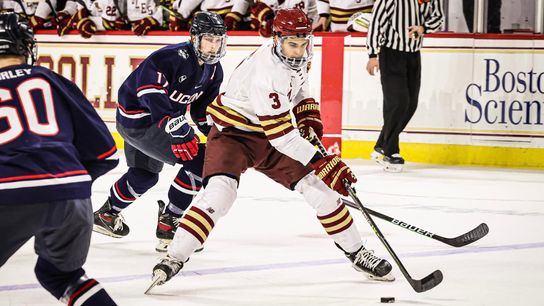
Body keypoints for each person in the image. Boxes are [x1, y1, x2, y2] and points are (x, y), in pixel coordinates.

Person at [147, 8, 395, 291]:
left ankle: (358, 252)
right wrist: (324, 162)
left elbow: (300, 84)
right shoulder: (267, 74)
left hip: (269, 134)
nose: (299, 50)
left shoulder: (299, 52)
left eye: (304, 43)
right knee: (220, 195)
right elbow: (283, 139)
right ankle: (174, 258)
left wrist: (306, 112)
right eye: (293, 44)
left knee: (321, 191)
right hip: (233, 137)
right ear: (277, 39)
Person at [0, 12, 118, 305]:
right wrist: (60, 186)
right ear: (26, 47)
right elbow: (105, 152)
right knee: (62, 276)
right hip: (72, 193)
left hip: (7, 190)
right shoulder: (52, 79)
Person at [92, 11, 227, 253]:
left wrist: (219, 133)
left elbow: (201, 111)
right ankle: (169, 223)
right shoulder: (169, 57)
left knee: (144, 175)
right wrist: (175, 126)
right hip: (141, 122)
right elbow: (149, 93)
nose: (214, 46)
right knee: (202, 162)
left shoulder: (214, 70)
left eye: (218, 40)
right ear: (195, 37)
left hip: (150, 123)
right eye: (209, 39)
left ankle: (107, 214)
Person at [366, 0, 444, 172]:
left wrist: (423, 28)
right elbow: (376, 23)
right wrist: (372, 54)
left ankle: (381, 145)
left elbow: (439, 18)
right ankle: (391, 151)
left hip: (414, 56)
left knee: (410, 104)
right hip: (391, 53)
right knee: (398, 101)